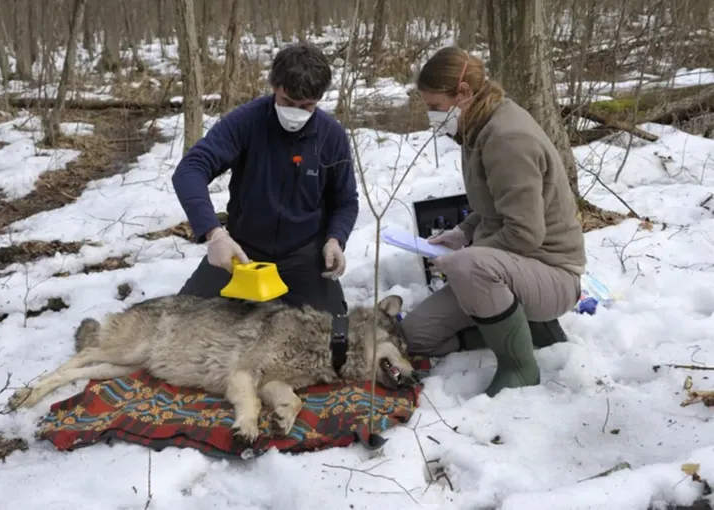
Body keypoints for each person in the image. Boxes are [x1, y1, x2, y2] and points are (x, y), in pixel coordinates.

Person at [400, 46, 587, 397]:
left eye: (436, 106)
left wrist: (464, 259)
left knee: (470, 267)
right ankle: (531, 331)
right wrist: (462, 233)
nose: (431, 115)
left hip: (551, 271)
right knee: (416, 335)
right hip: (510, 267)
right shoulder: (477, 126)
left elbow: (524, 233)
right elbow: (495, 209)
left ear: (463, 93)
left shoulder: (506, 138)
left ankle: (519, 366)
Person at [171, 42, 359, 315]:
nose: (295, 112)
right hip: (242, 253)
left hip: (303, 255)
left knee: (332, 336)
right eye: (287, 102)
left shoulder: (332, 137)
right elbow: (190, 170)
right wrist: (214, 234)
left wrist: (335, 239)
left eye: (306, 106)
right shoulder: (246, 122)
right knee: (181, 321)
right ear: (274, 87)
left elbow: (346, 201)